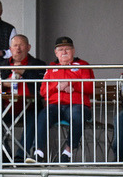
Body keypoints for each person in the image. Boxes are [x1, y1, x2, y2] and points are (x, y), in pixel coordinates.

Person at [29, 36, 94, 164]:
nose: (64, 52)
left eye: (67, 49)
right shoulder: (51, 68)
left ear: (73, 51)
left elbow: (90, 86)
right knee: (43, 115)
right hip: (55, 105)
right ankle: (38, 153)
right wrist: (58, 85)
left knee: (76, 114)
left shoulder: (83, 65)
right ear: (56, 53)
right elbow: (43, 91)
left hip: (77, 105)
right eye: (61, 49)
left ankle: (67, 152)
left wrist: (72, 85)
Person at [0, 34, 45, 162]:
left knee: (34, 116)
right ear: (10, 48)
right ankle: (3, 154)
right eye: (15, 45)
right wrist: (3, 82)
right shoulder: (1, 66)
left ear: (28, 47)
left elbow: (42, 86)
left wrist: (24, 72)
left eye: (21, 45)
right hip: (6, 108)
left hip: (30, 107)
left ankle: (20, 155)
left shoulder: (38, 64)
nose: (18, 49)